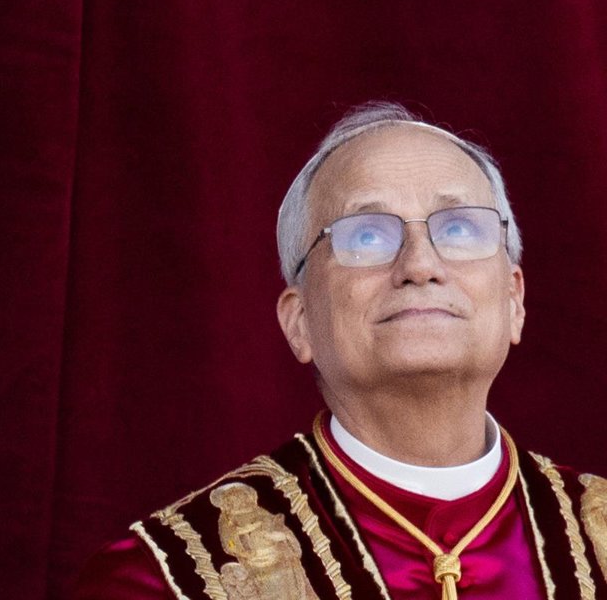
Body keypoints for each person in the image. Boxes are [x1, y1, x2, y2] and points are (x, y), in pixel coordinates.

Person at [71, 103, 607, 600]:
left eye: (459, 228)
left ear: (514, 300)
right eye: (366, 236)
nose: (421, 265)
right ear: (300, 321)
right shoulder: (165, 579)